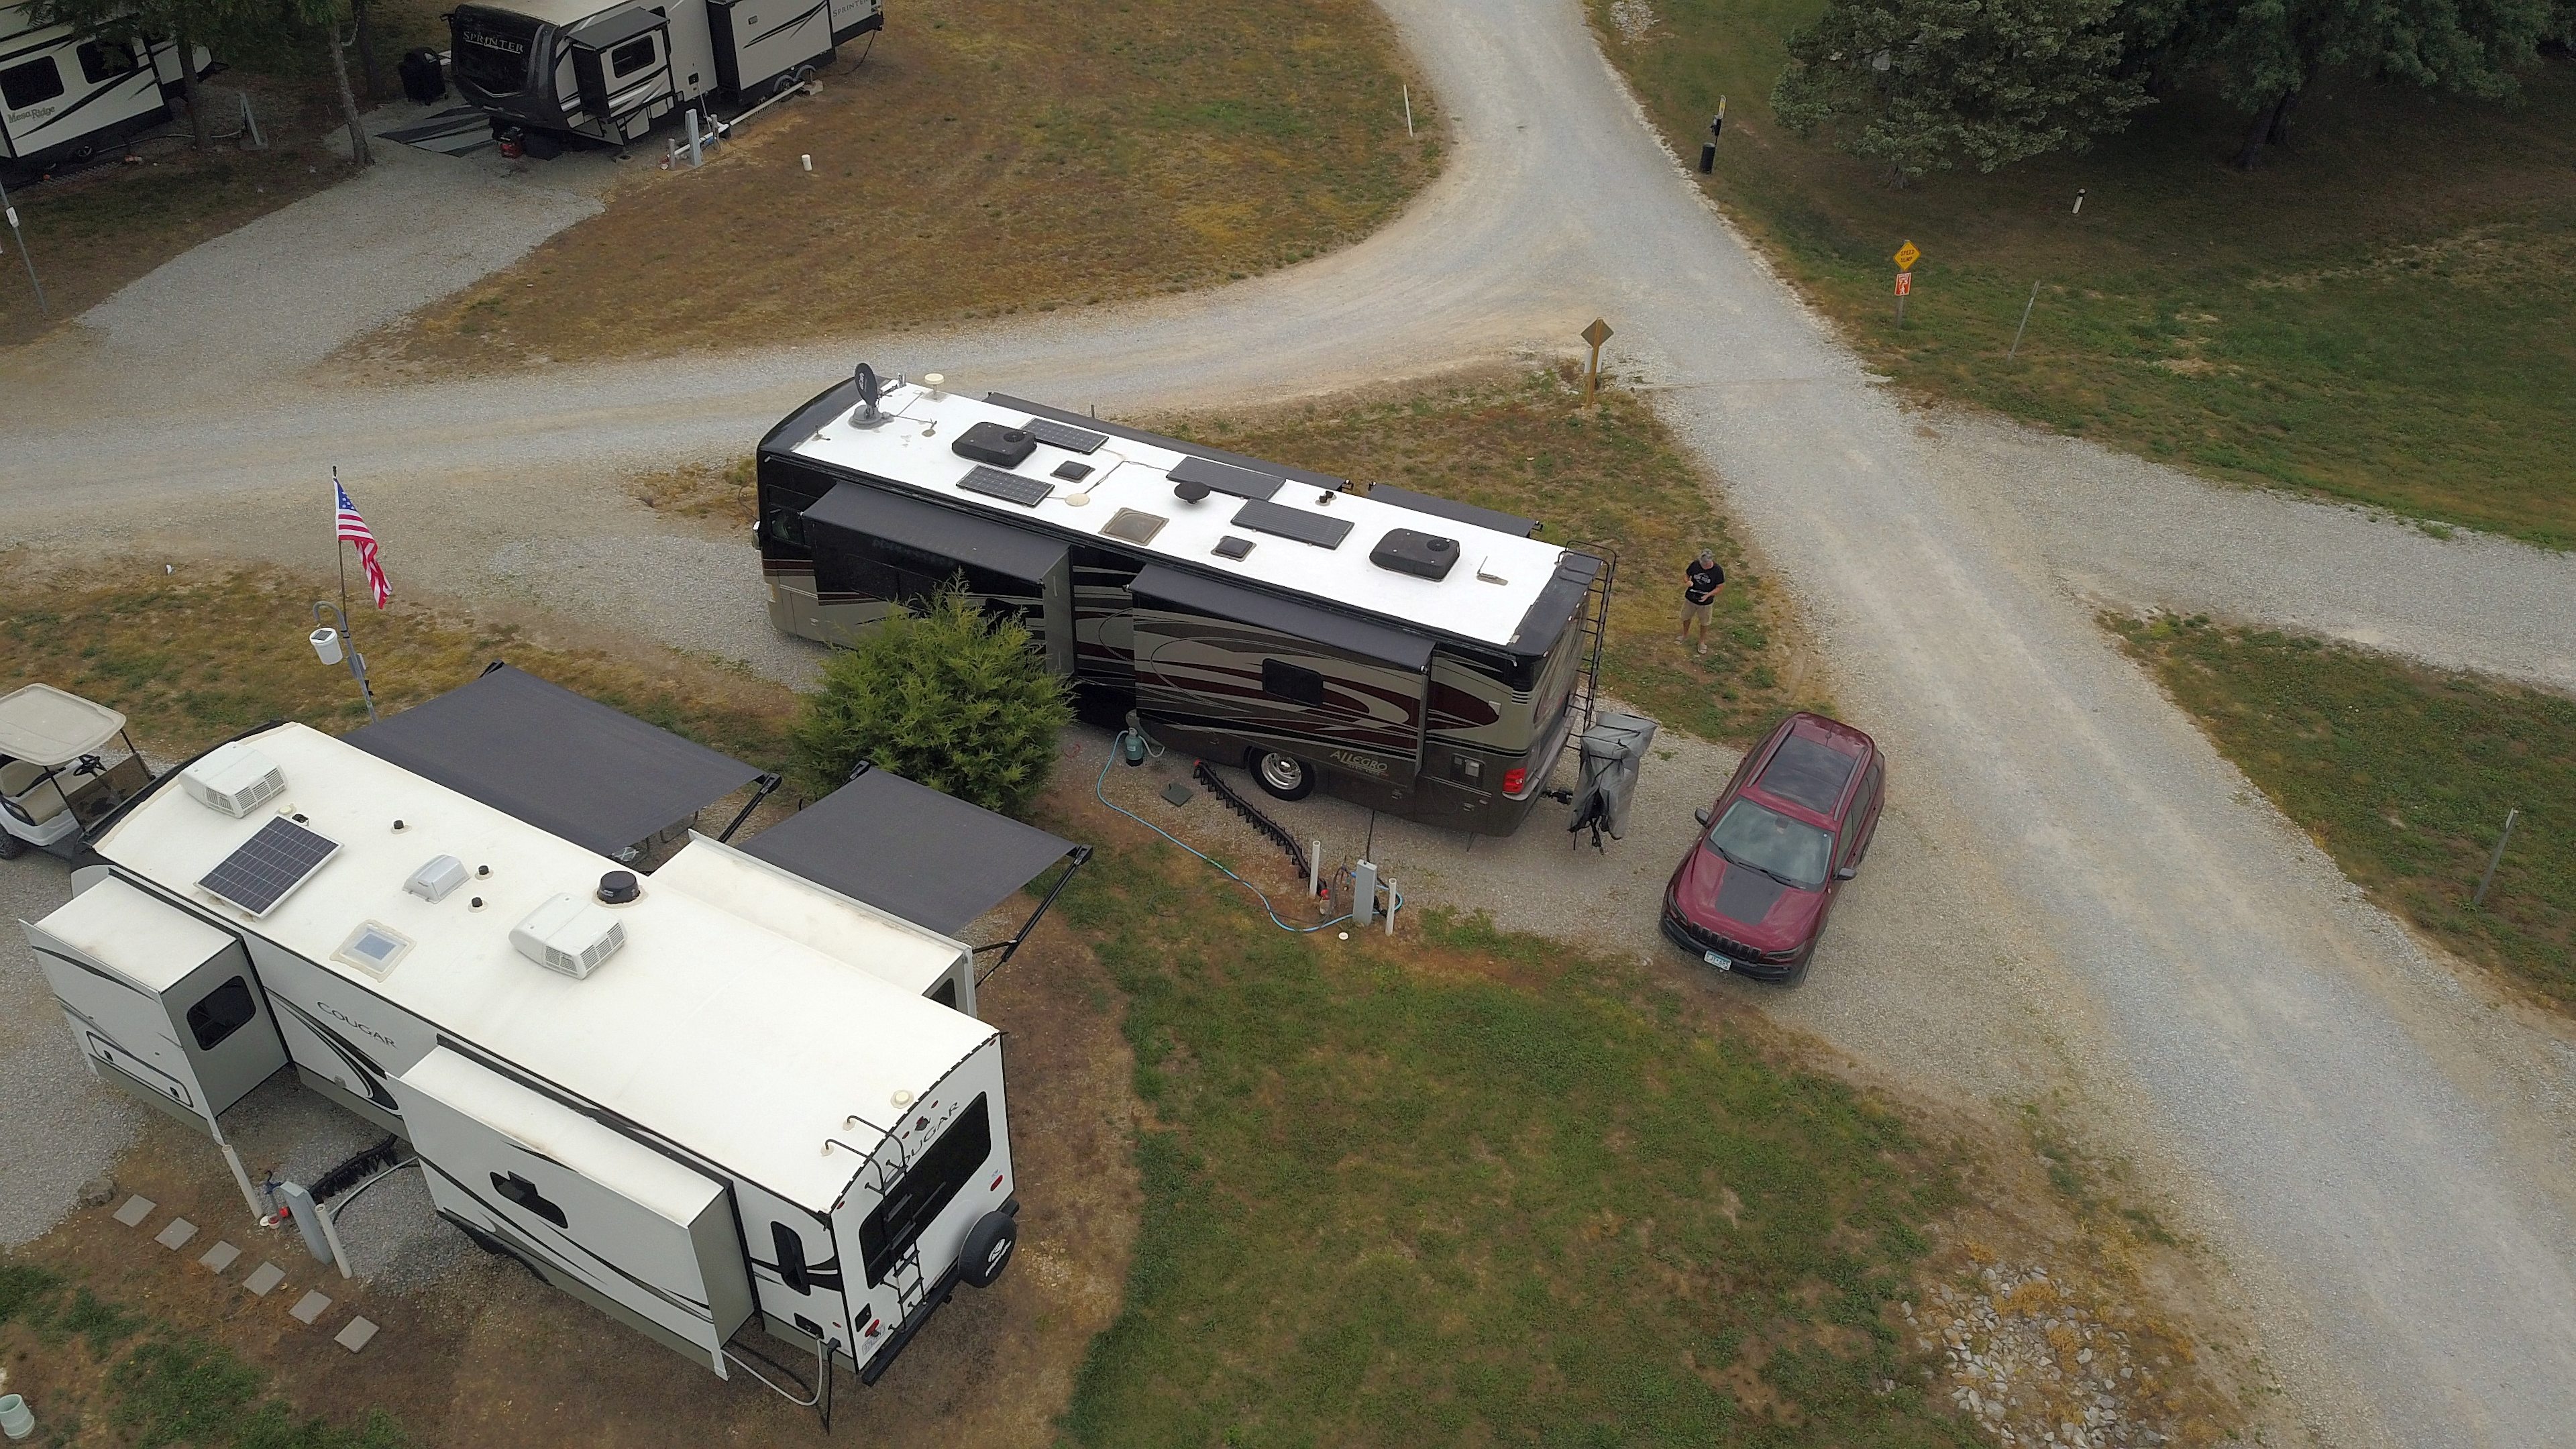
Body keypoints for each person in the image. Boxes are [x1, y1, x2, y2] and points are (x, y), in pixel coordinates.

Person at [1680, 549, 1725, 653]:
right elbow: (1686, 575)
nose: (1703, 566)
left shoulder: (1717, 570)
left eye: (1705, 564)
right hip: (1690, 598)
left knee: (1704, 623)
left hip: (1706, 602)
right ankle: (1685, 635)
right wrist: (1688, 581)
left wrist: (1708, 596)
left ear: (1711, 561)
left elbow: (1720, 587)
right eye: (1702, 563)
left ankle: (1702, 642)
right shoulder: (1695, 565)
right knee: (1686, 617)